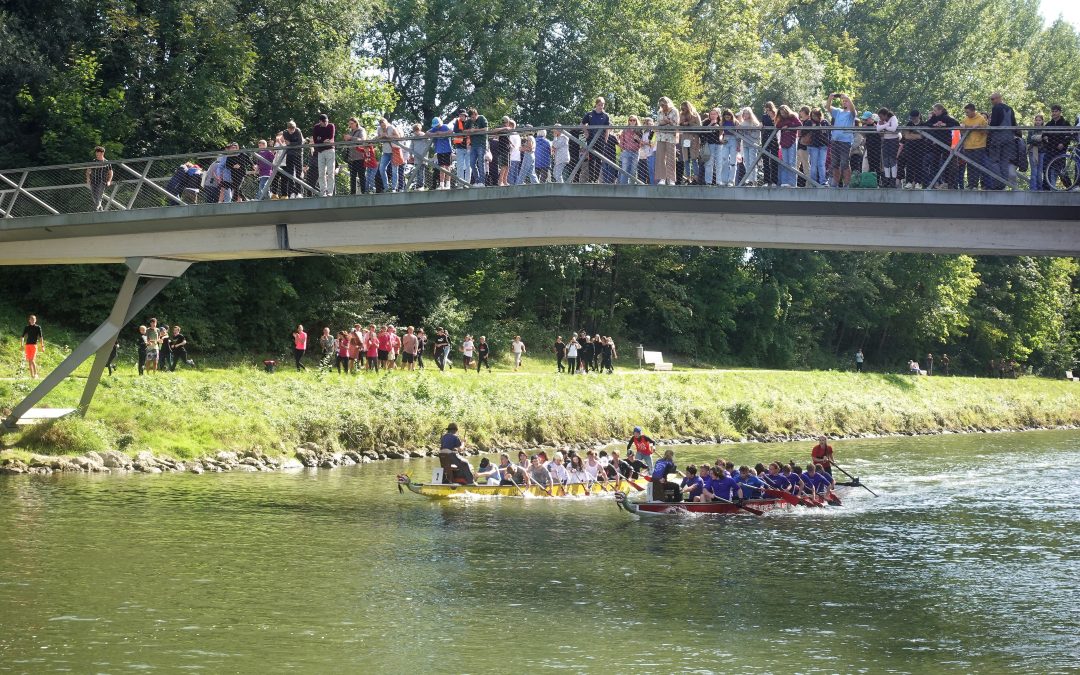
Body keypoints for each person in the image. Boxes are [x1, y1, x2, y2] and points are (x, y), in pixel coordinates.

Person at [985, 92, 1017, 190]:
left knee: (993, 161)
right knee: (1004, 162)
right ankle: (1003, 183)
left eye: (993, 99)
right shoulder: (1010, 109)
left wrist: (988, 127)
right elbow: (1014, 124)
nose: (992, 101)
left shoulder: (996, 108)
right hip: (1009, 139)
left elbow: (994, 124)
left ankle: (999, 184)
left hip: (997, 138)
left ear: (999, 98)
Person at [826, 93, 858, 187]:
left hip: (845, 141)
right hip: (835, 140)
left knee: (844, 163)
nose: (844, 103)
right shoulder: (838, 111)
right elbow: (828, 108)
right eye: (843, 101)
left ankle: (847, 184)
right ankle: (835, 183)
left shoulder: (851, 113)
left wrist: (848, 98)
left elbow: (853, 109)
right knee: (835, 163)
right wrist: (830, 98)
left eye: (846, 101)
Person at [926, 104, 960, 189]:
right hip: (937, 143)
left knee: (946, 162)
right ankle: (936, 182)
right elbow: (926, 123)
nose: (934, 112)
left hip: (945, 142)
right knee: (935, 162)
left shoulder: (945, 117)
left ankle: (947, 182)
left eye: (935, 110)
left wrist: (944, 124)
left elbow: (956, 123)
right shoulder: (934, 117)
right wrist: (934, 125)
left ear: (940, 110)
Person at [960, 103, 989, 190]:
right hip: (968, 146)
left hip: (979, 146)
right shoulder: (965, 119)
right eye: (965, 112)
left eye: (967, 112)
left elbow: (987, 131)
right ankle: (970, 184)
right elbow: (962, 133)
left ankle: (975, 185)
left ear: (973, 111)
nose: (966, 114)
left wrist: (979, 127)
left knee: (976, 166)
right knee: (969, 166)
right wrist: (962, 128)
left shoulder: (981, 119)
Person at [582, 96, 611, 182]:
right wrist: (586, 132)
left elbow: (607, 128)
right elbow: (582, 123)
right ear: (596, 104)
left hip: (601, 141)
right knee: (591, 159)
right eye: (599, 105)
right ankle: (591, 179)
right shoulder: (589, 114)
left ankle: (596, 179)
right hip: (591, 140)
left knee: (599, 160)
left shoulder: (605, 116)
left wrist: (606, 138)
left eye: (602, 105)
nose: (601, 107)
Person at [1044, 105, 1072, 190]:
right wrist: (1044, 137)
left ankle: (1070, 187)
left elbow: (1069, 136)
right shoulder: (1049, 124)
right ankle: (1050, 188)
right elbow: (1044, 134)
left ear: (1060, 112)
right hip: (1050, 150)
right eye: (1052, 111)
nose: (1054, 113)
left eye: (1056, 111)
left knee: (1061, 171)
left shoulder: (1066, 123)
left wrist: (1063, 144)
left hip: (1060, 151)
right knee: (1048, 170)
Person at [775, 105, 802, 187]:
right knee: (785, 163)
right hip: (784, 142)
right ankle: (784, 182)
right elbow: (778, 126)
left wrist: (788, 126)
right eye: (781, 113)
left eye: (784, 112)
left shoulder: (792, 116)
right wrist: (784, 126)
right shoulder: (781, 119)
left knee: (791, 162)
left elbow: (799, 124)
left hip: (792, 141)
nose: (782, 114)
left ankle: (792, 183)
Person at [655, 97, 679, 185]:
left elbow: (676, 124)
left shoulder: (674, 111)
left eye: (663, 105)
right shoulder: (659, 112)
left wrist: (667, 121)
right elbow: (657, 124)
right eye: (661, 105)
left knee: (671, 158)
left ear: (668, 103)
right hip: (660, 137)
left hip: (671, 137)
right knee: (660, 158)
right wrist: (665, 122)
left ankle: (671, 179)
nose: (662, 106)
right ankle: (662, 178)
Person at [876, 109, 900, 188]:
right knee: (886, 160)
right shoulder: (884, 121)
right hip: (886, 141)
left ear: (885, 115)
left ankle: (893, 180)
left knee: (892, 160)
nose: (880, 118)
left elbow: (893, 129)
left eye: (881, 116)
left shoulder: (893, 118)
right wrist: (887, 125)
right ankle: (886, 180)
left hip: (893, 141)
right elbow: (878, 129)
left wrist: (884, 126)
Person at [282, 120, 305, 198]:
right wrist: (294, 144)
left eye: (293, 128)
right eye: (290, 129)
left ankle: (299, 192)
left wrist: (291, 144)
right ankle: (292, 192)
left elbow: (300, 142)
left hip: (298, 154)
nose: (292, 130)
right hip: (290, 154)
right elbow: (287, 143)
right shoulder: (285, 132)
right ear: (287, 128)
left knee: (299, 173)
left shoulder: (298, 131)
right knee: (290, 173)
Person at [86, 146, 113, 211]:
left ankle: (97, 207)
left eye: (98, 154)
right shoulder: (93, 161)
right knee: (94, 195)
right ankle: (100, 207)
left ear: (102, 153)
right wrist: (88, 179)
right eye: (96, 154)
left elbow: (111, 172)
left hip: (102, 181)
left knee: (99, 194)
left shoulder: (107, 162)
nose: (97, 155)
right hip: (93, 181)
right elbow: (88, 170)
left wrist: (109, 181)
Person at [20, 314, 44, 378]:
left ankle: (35, 374)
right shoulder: (27, 327)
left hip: (34, 345)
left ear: (35, 320)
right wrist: (22, 345)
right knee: (30, 361)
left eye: (34, 319)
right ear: (29, 320)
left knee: (31, 360)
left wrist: (42, 346)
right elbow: (22, 336)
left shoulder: (38, 327)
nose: (33, 320)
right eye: (31, 319)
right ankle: (32, 376)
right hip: (27, 345)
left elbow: (41, 337)